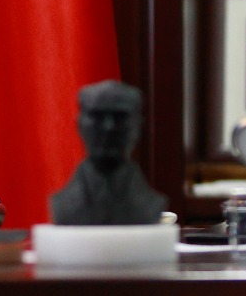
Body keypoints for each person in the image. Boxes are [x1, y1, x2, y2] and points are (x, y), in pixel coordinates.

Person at [49, 80, 167, 226]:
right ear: (79, 125)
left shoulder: (148, 204)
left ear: (139, 127)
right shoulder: (65, 204)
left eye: (120, 118)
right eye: (97, 117)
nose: (108, 127)